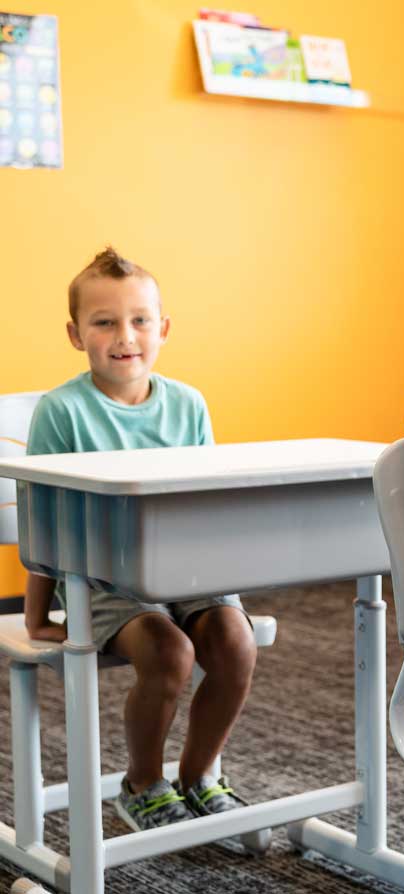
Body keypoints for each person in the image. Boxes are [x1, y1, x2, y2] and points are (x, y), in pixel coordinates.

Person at [24, 247, 258, 831]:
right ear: (77, 334)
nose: (124, 336)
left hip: (187, 570)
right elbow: (45, 519)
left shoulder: (188, 404)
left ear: (164, 328)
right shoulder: (63, 411)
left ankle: (198, 776)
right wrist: (36, 616)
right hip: (104, 580)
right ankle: (144, 782)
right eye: (104, 322)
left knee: (235, 642)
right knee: (170, 652)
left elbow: (202, 503)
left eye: (140, 320)